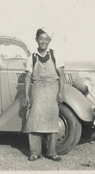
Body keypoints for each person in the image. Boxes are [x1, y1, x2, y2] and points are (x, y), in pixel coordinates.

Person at [24, 28, 65, 161]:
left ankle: (52, 152)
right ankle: (35, 152)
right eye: (41, 38)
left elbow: (62, 74)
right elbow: (28, 77)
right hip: (37, 90)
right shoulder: (32, 57)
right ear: (36, 39)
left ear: (49, 41)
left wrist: (61, 92)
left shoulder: (54, 54)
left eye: (46, 39)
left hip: (52, 90)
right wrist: (26, 96)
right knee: (34, 120)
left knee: (52, 121)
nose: (43, 41)